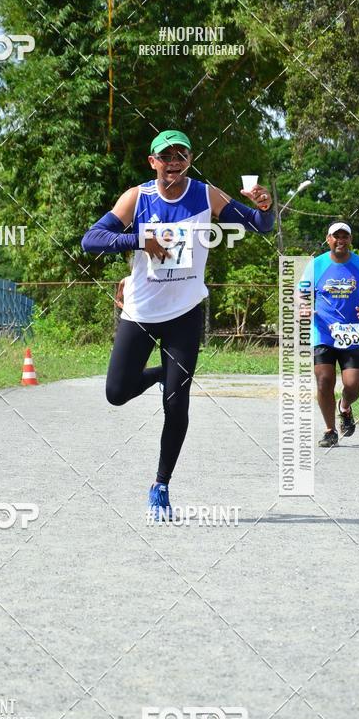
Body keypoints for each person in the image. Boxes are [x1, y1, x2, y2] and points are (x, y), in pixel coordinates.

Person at [81, 129, 275, 520]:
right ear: (152, 162)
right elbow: (92, 240)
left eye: (180, 155)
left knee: (177, 403)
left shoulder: (206, 195)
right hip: (140, 312)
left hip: (185, 312)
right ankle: (159, 375)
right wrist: (139, 241)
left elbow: (260, 226)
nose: (173, 162)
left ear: (188, 159)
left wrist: (265, 207)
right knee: (116, 393)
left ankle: (161, 484)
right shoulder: (138, 197)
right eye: (164, 156)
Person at [300, 222, 359, 447]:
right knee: (324, 380)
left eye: (345, 237)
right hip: (323, 332)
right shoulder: (316, 265)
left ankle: (344, 406)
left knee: (354, 385)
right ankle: (329, 430)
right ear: (328, 239)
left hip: (351, 332)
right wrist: (304, 307)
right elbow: (301, 294)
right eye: (336, 236)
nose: (340, 241)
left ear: (350, 240)